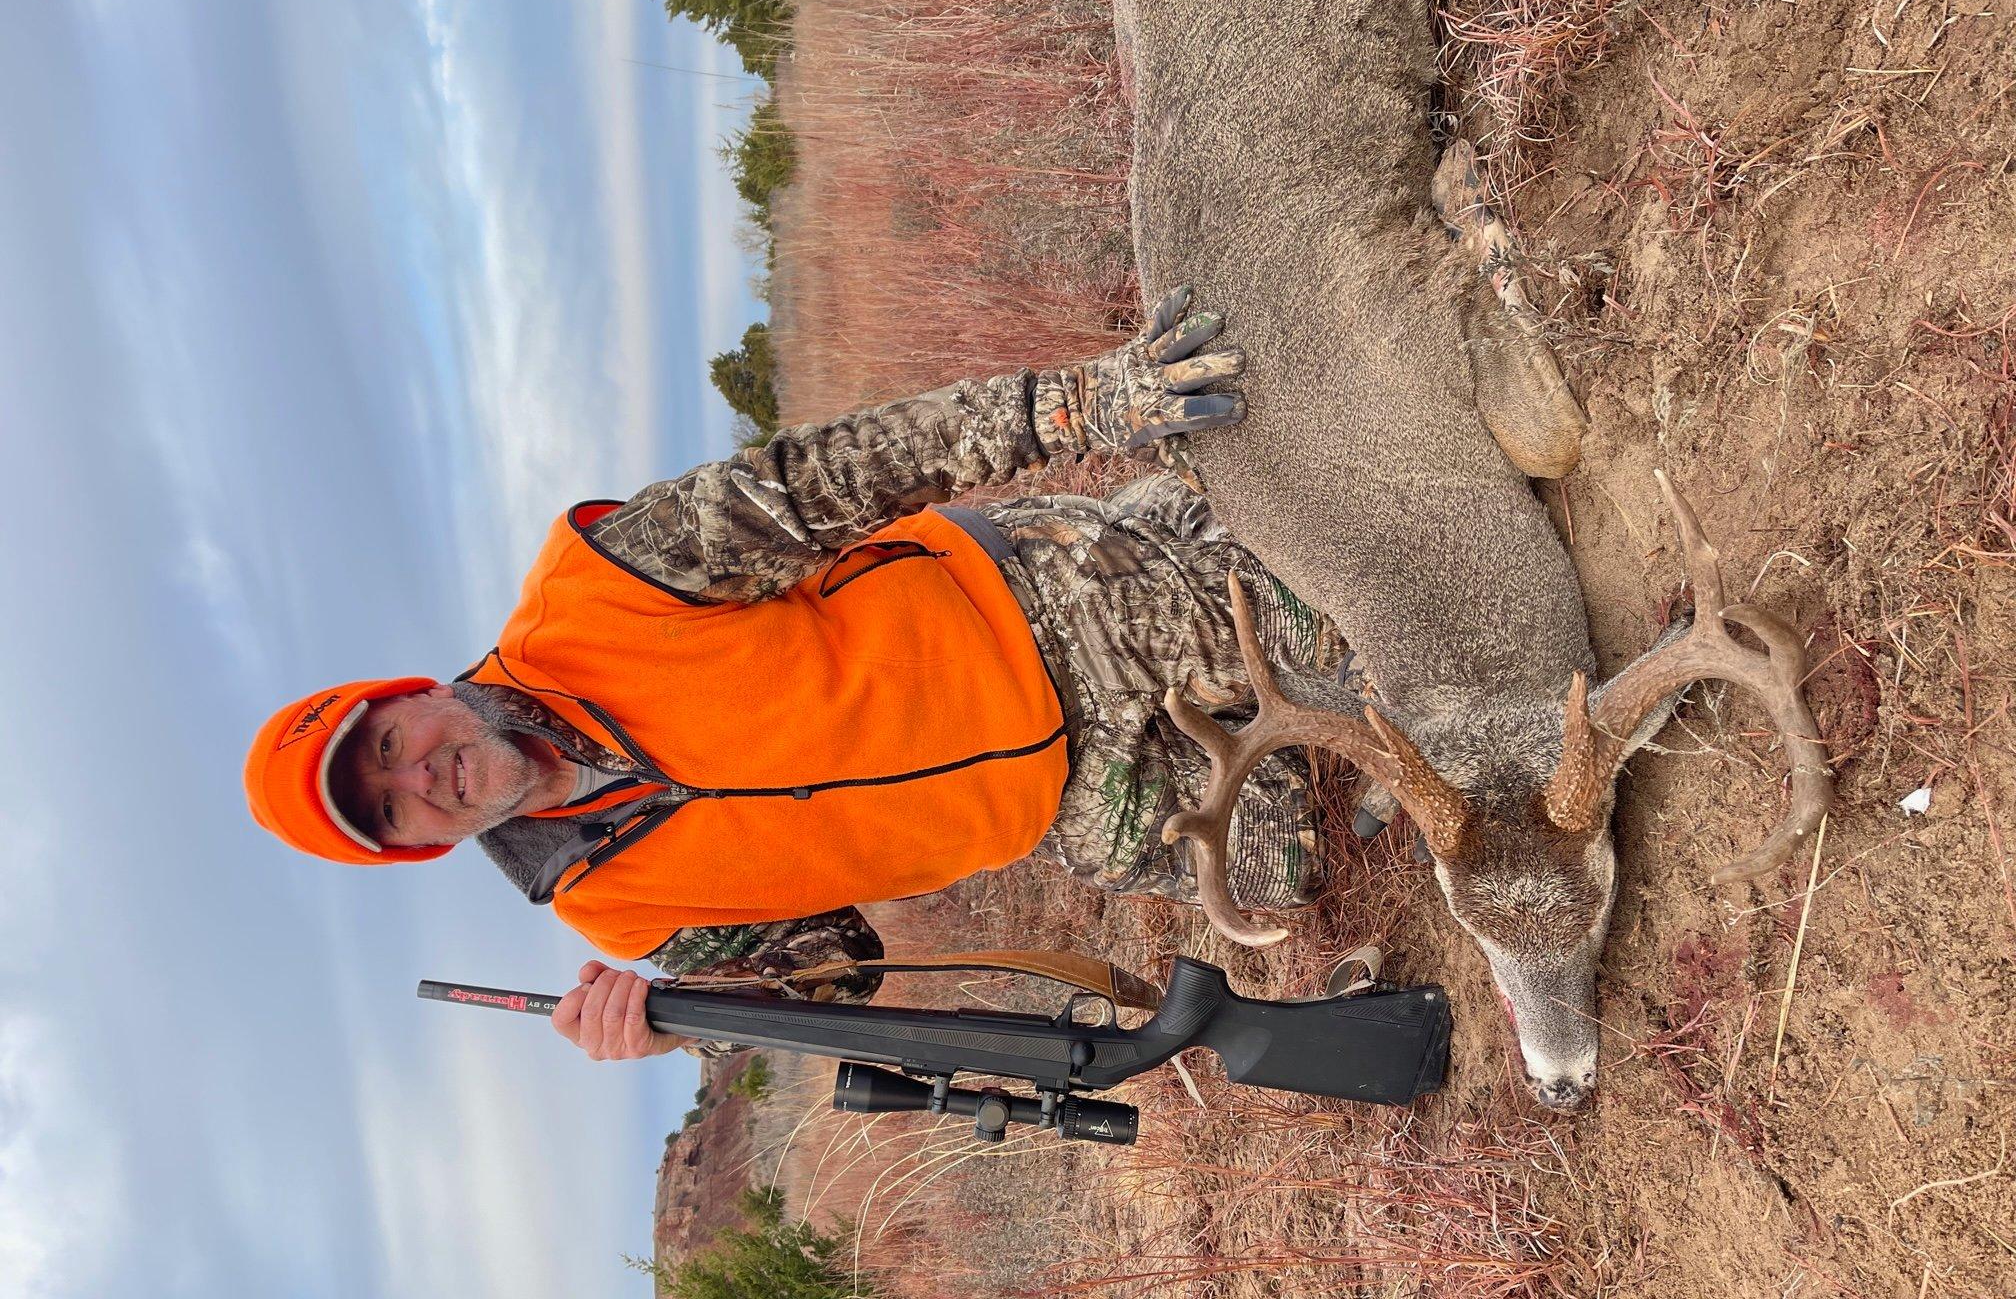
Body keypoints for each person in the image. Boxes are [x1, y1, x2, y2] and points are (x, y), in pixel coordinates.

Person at [244, 290, 1344, 1063]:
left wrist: (1078, 406)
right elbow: (843, 968)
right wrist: (686, 1012)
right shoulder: (617, 916)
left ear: (410, 696)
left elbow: (837, 477)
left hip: (1043, 618)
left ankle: (1173, 529)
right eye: (390, 814)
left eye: (386, 746)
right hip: (1060, 805)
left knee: (1335, 629)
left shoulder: (600, 587)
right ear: (419, 849)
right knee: (1288, 867)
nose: (421, 779)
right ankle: (1203, 574)